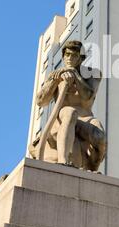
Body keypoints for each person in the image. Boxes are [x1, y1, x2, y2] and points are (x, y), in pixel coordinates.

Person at [35, 40, 106, 171]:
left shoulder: (93, 74)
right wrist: (54, 81)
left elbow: (88, 96)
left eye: (74, 55)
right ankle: (63, 161)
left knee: (100, 137)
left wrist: (75, 75)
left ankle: (93, 167)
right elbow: (40, 101)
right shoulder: (56, 75)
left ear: (81, 58)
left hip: (86, 118)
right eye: (67, 55)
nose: (69, 58)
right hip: (62, 117)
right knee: (69, 112)